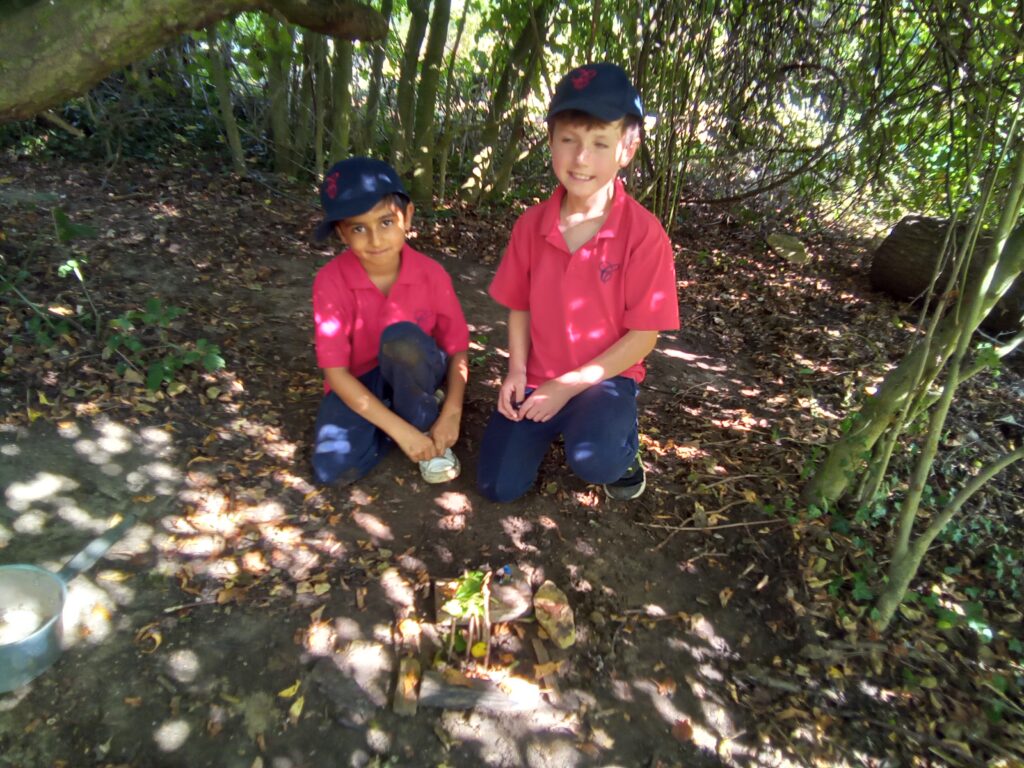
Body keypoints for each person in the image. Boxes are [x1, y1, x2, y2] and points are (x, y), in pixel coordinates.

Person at [477, 62, 679, 502]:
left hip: (605, 378)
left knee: (597, 461)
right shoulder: (530, 225)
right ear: (550, 140)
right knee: (497, 486)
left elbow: (644, 336)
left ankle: (618, 440)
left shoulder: (644, 234)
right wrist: (516, 371)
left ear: (627, 148)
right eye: (568, 140)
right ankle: (553, 423)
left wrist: (566, 386)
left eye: (600, 143)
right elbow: (520, 305)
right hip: (537, 375)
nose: (581, 158)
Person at [310, 157, 469, 486]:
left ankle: (424, 421)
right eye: (358, 228)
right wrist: (398, 430)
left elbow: (457, 350)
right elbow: (336, 374)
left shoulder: (431, 275)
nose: (376, 239)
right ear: (341, 233)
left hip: (413, 367)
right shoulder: (330, 282)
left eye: (385, 222)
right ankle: (397, 420)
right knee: (333, 472)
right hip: (359, 381)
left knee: (401, 341)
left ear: (407, 216)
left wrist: (452, 412)